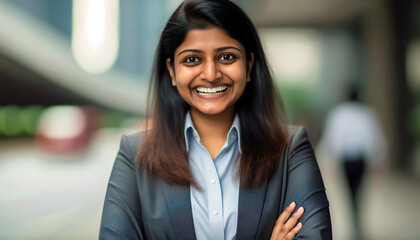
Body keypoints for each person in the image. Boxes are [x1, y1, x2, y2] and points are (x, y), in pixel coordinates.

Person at [99, 0, 331, 239]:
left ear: (249, 66)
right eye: (192, 60)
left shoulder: (290, 148)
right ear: (171, 71)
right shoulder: (134, 154)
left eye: (227, 57)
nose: (210, 74)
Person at [320, 86, 386, 239]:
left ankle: (355, 220)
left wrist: (328, 161)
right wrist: (378, 161)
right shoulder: (367, 114)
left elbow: (332, 140)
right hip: (360, 161)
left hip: (346, 161)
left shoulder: (339, 114)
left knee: (350, 193)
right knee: (358, 192)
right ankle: (357, 222)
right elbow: (373, 139)